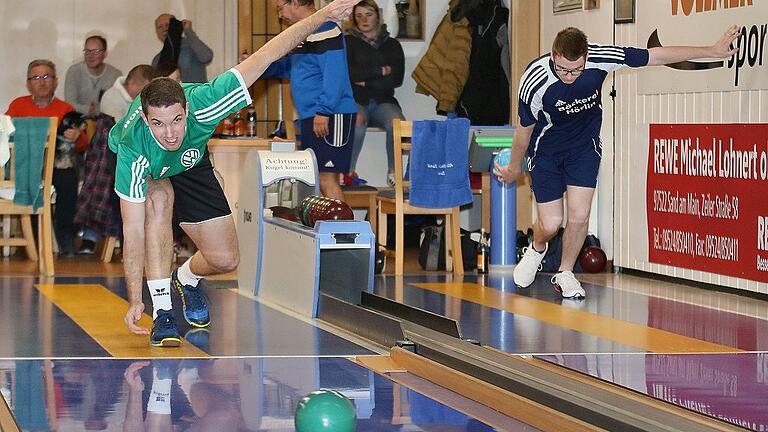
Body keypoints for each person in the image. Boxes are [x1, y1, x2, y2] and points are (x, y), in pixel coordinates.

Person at [112, 0, 361, 347]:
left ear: (188, 108)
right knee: (157, 201)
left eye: (176, 121)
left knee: (225, 258)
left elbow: (268, 54)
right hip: (153, 169)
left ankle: (185, 279)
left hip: (192, 160)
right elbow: (132, 230)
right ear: (144, 119)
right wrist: (135, 297)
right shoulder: (133, 147)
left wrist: (322, 16)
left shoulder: (208, 100)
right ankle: (163, 309)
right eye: (158, 124)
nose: (169, 133)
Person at [494, 26, 741, 299]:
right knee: (552, 223)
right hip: (546, 152)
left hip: (583, 148)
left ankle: (565, 272)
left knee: (579, 215)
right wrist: (515, 167)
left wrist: (712, 50)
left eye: (576, 70)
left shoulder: (600, 57)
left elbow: (655, 56)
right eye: (563, 69)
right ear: (554, 56)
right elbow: (523, 132)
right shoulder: (535, 79)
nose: (570, 77)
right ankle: (537, 247)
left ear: (586, 57)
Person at [261, 0, 358, 201]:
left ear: (295, 2)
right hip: (312, 115)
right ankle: (329, 229)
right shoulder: (304, 33)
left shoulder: (326, 28)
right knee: (316, 178)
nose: (280, 14)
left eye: (281, 7)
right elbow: (293, 68)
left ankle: (346, 232)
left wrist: (324, 111)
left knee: (326, 180)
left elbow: (335, 75)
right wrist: (259, 67)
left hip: (331, 115)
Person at [6, 59, 89, 256]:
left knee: (68, 179)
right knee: (29, 180)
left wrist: (78, 136)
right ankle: (34, 239)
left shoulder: (65, 109)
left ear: (55, 81)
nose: (41, 82)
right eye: (36, 77)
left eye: (46, 77)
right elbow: (5, 133)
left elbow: (83, 143)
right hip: (25, 165)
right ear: (28, 83)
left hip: (56, 165)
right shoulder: (18, 106)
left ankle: (65, 235)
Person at [77, 64, 159, 255]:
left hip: (123, 158)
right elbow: (127, 134)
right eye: (144, 90)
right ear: (133, 83)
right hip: (111, 160)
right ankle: (129, 246)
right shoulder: (112, 98)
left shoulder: (128, 97)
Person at [345, 0, 405, 187]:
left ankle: (394, 173)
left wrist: (365, 80)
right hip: (357, 100)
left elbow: (397, 79)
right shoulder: (348, 42)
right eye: (359, 15)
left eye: (368, 14)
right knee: (357, 118)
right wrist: (380, 71)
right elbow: (349, 74)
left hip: (383, 101)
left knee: (398, 123)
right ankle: (348, 172)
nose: (363, 19)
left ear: (377, 16)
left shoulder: (392, 44)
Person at [64, 35, 122, 116]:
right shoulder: (74, 71)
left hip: (107, 121)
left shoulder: (115, 75)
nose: (91, 56)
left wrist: (95, 110)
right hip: (78, 121)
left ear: (105, 54)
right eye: (87, 51)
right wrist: (88, 110)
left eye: (96, 51)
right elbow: (69, 104)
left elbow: (117, 105)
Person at [152, 14, 213, 83]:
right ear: (157, 32)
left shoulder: (192, 47)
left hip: (195, 93)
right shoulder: (157, 60)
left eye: (167, 25)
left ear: (175, 26)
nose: (164, 29)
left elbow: (206, 57)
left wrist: (188, 31)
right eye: (160, 27)